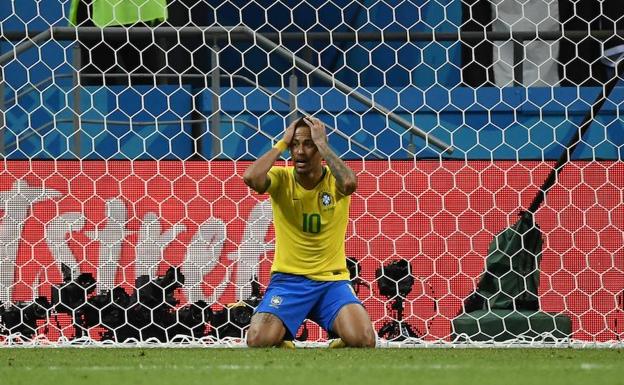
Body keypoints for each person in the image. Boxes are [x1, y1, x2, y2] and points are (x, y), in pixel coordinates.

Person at [242, 116, 376, 348]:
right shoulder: (281, 178)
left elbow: (350, 184)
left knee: (364, 340)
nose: (300, 152)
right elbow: (251, 177)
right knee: (257, 339)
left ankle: (336, 339)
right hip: (288, 282)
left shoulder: (334, 181)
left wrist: (323, 144)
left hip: (331, 282)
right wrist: (282, 143)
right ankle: (281, 336)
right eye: (295, 145)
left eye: (308, 144)